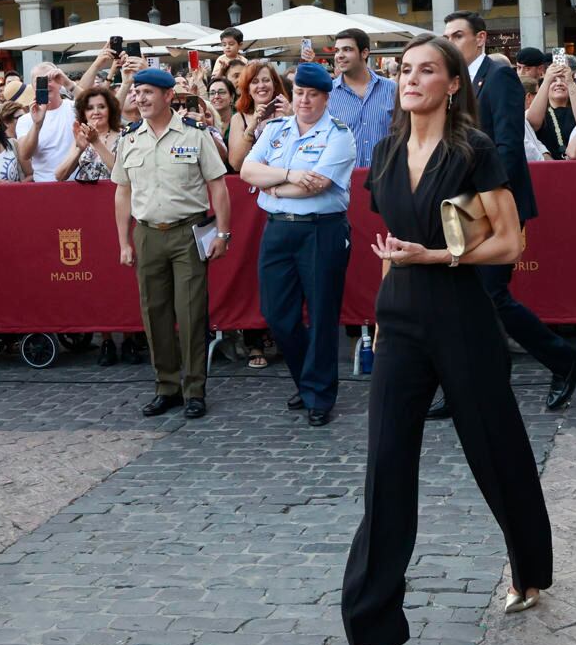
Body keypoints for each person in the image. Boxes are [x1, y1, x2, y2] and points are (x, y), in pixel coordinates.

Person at [340, 34, 550, 645]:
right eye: (404, 70)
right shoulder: (384, 152)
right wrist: (392, 286)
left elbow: (508, 241)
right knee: (386, 468)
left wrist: (436, 256)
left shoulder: (474, 151)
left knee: (496, 449)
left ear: (452, 84)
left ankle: (530, 569)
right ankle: (374, 631)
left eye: (427, 70)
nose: (411, 79)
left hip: (461, 314)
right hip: (400, 318)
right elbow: (391, 236)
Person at [441, 10, 576, 414]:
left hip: (495, 202)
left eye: (457, 35)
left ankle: (564, 359)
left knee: (491, 294)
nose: (450, 42)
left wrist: (492, 200)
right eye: (447, 36)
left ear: (480, 38)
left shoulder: (499, 76)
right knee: (467, 298)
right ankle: (470, 383)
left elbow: (506, 142)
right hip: (464, 203)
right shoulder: (452, 84)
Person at [113, 67, 233, 420]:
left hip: (187, 232)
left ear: (169, 96)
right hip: (148, 233)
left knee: (192, 312)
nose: (141, 98)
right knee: (155, 313)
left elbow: (218, 187)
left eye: (149, 92)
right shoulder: (130, 138)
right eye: (137, 92)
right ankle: (166, 387)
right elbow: (122, 192)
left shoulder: (196, 135)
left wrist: (223, 233)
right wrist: (123, 241)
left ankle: (194, 389)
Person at [241, 62, 356, 426]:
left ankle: (319, 395)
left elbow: (319, 183)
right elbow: (246, 170)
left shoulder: (339, 133)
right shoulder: (276, 130)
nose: (304, 100)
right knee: (278, 314)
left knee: (322, 315)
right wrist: (288, 176)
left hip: (321, 229)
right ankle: (307, 381)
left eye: (313, 94)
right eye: (300, 93)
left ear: (326, 98)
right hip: (278, 230)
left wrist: (270, 185)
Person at [327, 29, 396, 168]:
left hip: (386, 177)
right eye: (337, 50)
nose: (339, 56)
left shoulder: (392, 89)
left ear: (364, 53)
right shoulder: (328, 94)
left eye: (347, 49)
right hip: (345, 181)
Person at [13, 63, 78, 182]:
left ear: (59, 82)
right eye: (40, 81)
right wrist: (37, 125)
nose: (47, 85)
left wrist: (68, 83)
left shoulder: (75, 108)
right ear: (33, 86)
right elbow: (25, 154)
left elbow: (94, 102)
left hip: (78, 182)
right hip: (45, 185)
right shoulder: (25, 119)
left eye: (50, 79)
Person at [228, 60, 290, 168]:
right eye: (255, 82)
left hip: (281, 180)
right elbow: (236, 164)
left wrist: (291, 118)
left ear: (274, 85)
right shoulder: (238, 119)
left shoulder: (288, 113)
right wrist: (252, 127)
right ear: (248, 89)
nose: (261, 85)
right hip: (249, 182)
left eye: (266, 80)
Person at [56, 86, 121, 183]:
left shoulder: (124, 136)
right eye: (90, 108)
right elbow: (60, 176)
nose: (96, 112)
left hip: (115, 195)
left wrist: (95, 142)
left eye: (101, 107)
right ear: (84, 114)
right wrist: (79, 149)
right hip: (86, 197)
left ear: (110, 110)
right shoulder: (82, 137)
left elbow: (121, 173)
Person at [527, 60, 576, 162]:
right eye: (554, 81)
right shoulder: (541, 113)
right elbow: (533, 123)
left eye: (563, 80)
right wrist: (547, 79)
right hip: (548, 167)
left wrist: (570, 80)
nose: (559, 84)